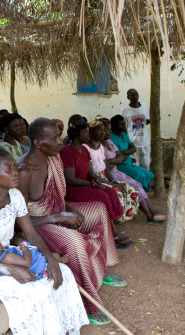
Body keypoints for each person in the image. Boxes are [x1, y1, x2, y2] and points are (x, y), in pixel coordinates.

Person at [0, 148, 88, 334]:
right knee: (34, 290)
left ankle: (61, 328)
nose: (15, 172)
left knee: (63, 271)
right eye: (8, 169)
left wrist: (50, 259)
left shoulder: (16, 196)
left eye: (14, 167)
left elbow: (31, 233)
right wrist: (10, 269)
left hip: (6, 254)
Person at [16, 118, 125, 324]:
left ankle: (101, 268)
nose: (60, 141)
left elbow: (59, 197)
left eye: (59, 136)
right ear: (38, 142)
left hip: (57, 213)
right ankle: (88, 302)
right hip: (37, 225)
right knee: (74, 242)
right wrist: (58, 217)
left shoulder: (53, 159)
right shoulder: (23, 170)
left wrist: (71, 211)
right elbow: (19, 220)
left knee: (99, 210)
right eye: (55, 138)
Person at [60, 120, 132, 244]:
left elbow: (90, 172)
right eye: (85, 132)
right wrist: (91, 184)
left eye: (89, 132)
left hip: (84, 183)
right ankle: (113, 231)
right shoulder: (68, 152)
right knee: (103, 197)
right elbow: (70, 179)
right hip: (72, 188)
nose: (88, 135)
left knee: (111, 192)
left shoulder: (85, 150)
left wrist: (96, 182)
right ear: (77, 134)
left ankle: (110, 225)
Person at [101, 119, 167, 224]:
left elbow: (120, 156)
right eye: (106, 130)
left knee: (137, 184)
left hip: (116, 171)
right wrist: (115, 160)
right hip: (110, 175)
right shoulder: (98, 146)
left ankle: (153, 211)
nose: (110, 132)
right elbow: (105, 167)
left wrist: (112, 161)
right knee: (134, 186)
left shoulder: (109, 142)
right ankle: (150, 215)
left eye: (109, 130)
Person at [84, 119, 139, 225]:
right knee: (116, 191)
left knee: (129, 189)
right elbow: (91, 173)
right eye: (100, 130)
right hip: (95, 178)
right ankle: (114, 219)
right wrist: (111, 184)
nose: (103, 133)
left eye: (104, 130)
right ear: (91, 132)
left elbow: (105, 168)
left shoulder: (100, 146)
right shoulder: (86, 148)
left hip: (104, 176)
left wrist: (114, 181)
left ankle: (120, 217)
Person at [110, 115, 155, 191]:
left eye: (124, 123)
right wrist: (127, 152)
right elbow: (118, 157)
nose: (124, 126)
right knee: (140, 175)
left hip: (129, 163)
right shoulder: (112, 138)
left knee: (148, 174)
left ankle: (143, 192)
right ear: (114, 126)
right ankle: (140, 193)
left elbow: (133, 148)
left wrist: (124, 153)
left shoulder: (124, 135)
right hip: (120, 166)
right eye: (121, 124)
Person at [121, 89, 151, 169]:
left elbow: (147, 121)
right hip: (132, 142)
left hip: (144, 141)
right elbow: (123, 126)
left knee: (146, 165)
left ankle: (146, 181)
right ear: (128, 97)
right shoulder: (125, 110)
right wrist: (125, 140)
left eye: (136, 94)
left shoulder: (144, 106)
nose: (135, 97)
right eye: (132, 95)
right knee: (135, 166)